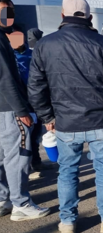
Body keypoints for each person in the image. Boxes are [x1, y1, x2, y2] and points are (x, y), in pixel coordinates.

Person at [28, 0, 103, 233]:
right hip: (100, 122)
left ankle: (67, 223)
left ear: (63, 14)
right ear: (89, 18)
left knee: (67, 172)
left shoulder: (45, 45)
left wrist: (47, 116)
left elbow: (35, 88)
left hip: (65, 122)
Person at [0, 0, 50, 220]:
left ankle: (3, 198)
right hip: (8, 108)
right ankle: (20, 203)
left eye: (9, 10)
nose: (7, 15)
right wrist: (21, 110)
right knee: (18, 155)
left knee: (2, 157)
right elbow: (6, 79)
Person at [12, 26, 52, 175]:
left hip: (35, 100)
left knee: (35, 135)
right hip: (20, 103)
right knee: (22, 137)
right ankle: (24, 167)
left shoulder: (32, 55)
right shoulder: (10, 57)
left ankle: (36, 163)